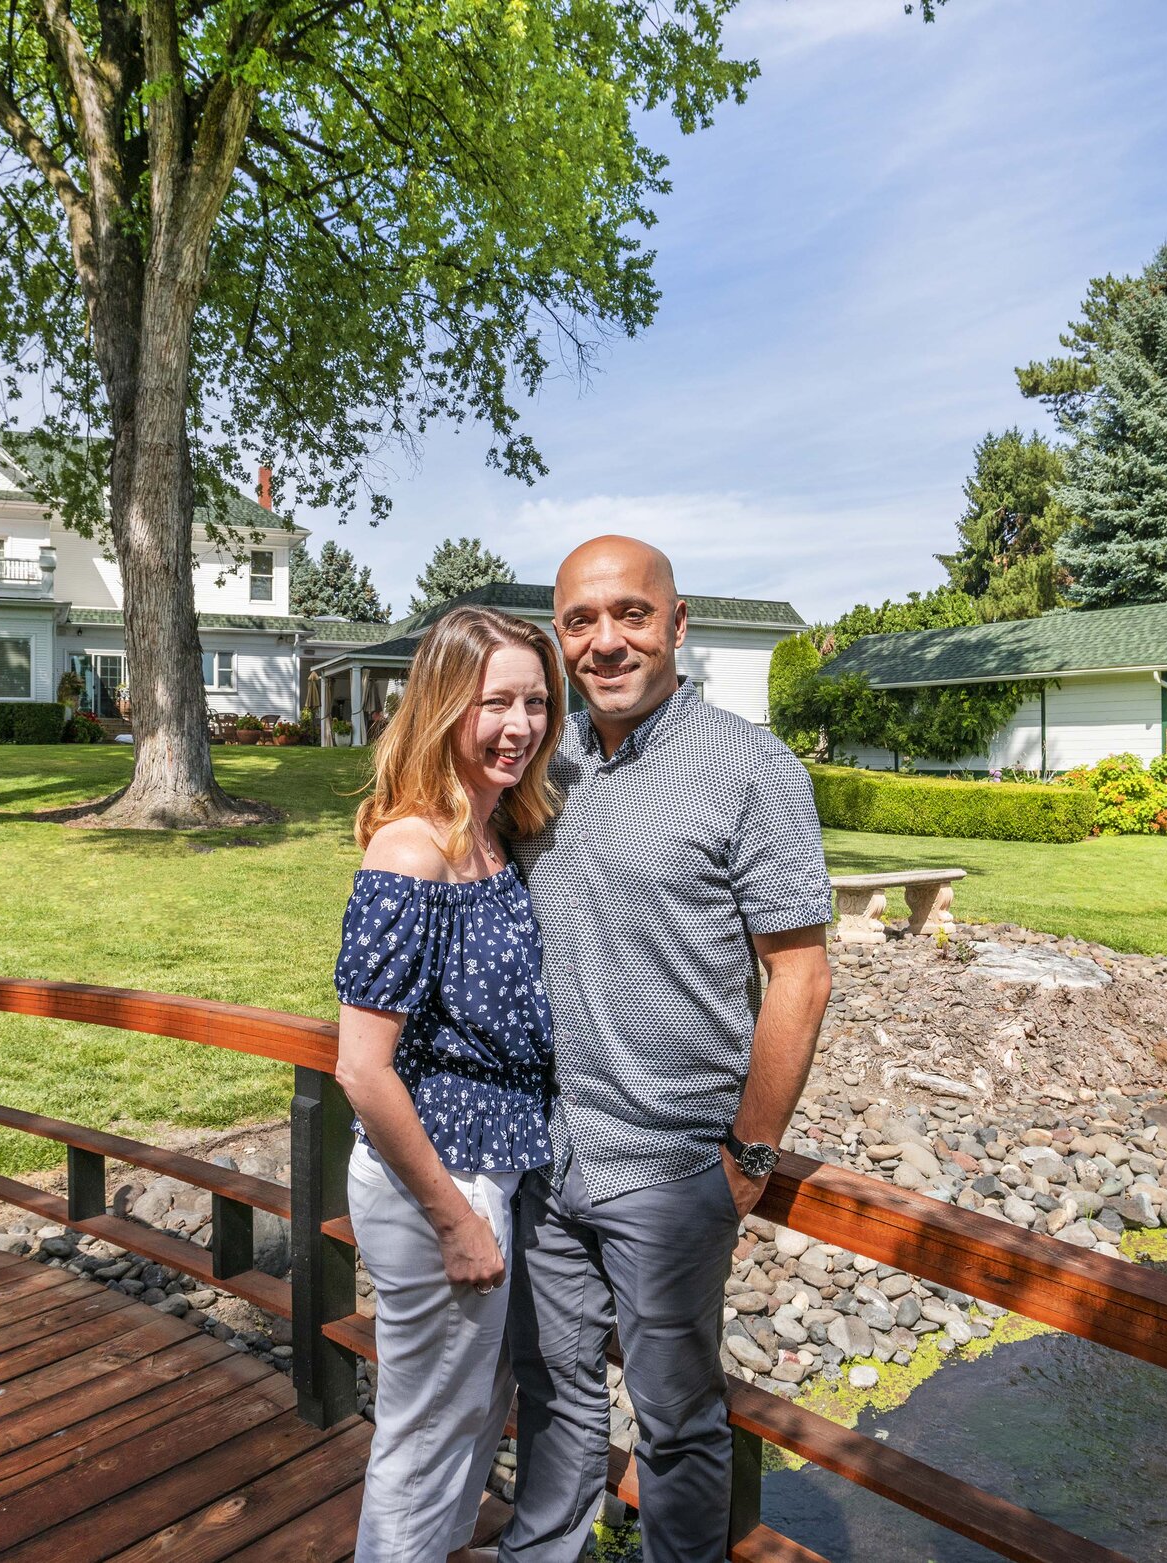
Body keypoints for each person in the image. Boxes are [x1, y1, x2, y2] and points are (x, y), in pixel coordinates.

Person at [502, 537, 835, 1563]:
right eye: (580, 622)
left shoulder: (750, 769)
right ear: (561, 640)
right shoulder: (542, 762)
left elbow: (800, 974)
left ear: (678, 624)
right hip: (547, 1153)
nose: (605, 642)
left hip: (670, 1171)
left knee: (679, 1424)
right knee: (551, 1396)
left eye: (630, 614)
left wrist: (749, 1154)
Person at [332, 605, 565, 1563]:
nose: (522, 725)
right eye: (496, 702)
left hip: (489, 1166)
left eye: (537, 703)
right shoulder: (413, 848)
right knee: (428, 1433)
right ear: (443, 706)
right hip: (440, 1177)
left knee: (471, 1415)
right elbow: (361, 1066)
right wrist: (455, 1218)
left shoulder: (494, 829)